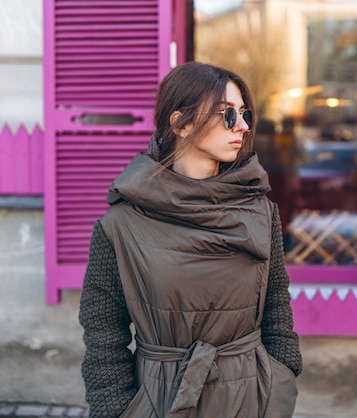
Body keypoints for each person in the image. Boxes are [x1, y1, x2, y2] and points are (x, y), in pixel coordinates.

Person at [78, 61, 302, 418]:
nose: (243, 127)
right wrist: (116, 409)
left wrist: (282, 376)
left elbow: (275, 302)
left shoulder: (261, 211)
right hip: (159, 400)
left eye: (243, 113)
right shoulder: (121, 224)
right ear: (181, 123)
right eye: (227, 114)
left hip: (252, 398)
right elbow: (104, 332)